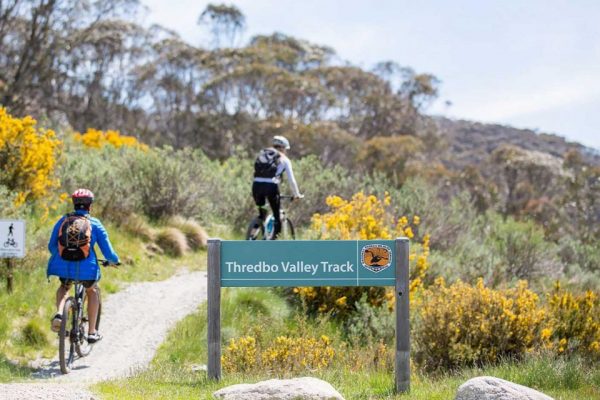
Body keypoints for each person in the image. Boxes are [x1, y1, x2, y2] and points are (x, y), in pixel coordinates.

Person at [47, 189, 119, 343]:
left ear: (74, 204)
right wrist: (114, 261)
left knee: (64, 287)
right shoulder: (95, 223)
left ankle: (60, 313)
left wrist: (63, 255)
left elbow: (51, 246)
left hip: (64, 267)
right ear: (89, 206)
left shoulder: (63, 221)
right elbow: (109, 253)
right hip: (88, 269)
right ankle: (92, 333)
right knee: (92, 291)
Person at [252, 135, 303, 239]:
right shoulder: (284, 159)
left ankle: (251, 236)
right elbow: (291, 180)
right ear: (283, 148)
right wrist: (296, 194)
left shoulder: (264, 154)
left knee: (262, 214)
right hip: (270, 187)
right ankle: (274, 244)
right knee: (277, 216)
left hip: (256, 186)